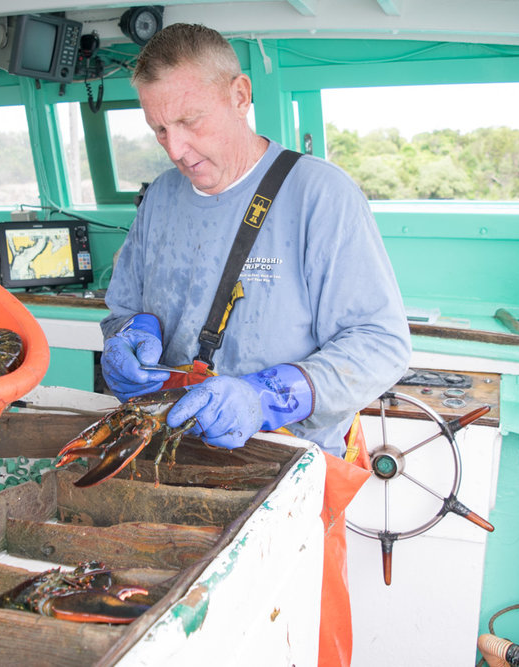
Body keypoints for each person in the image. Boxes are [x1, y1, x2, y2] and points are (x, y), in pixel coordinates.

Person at [100, 23, 411, 666]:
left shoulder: (320, 193)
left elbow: (381, 343)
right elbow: (125, 304)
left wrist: (268, 394)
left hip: (288, 463)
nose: (176, 148)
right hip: (174, 455)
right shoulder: (160, 197)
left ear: (241, 93)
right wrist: (131, 335)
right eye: (159, 129)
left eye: (190, 120)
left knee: (289, 635)